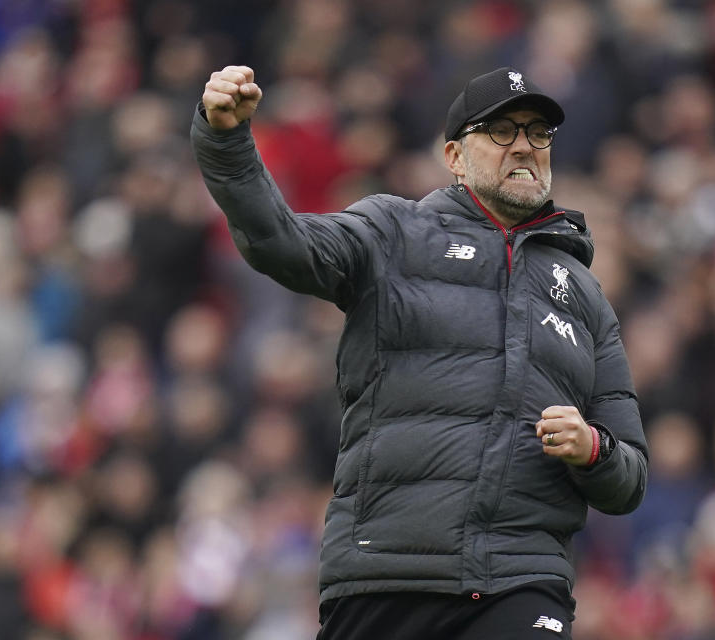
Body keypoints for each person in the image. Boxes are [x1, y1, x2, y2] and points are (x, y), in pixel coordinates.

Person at [190, 64, 648, 640]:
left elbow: (629, 476)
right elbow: (282, 245)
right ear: (455, 157)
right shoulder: (392, 232)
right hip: (386, 573)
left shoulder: (584, 295)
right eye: (502, 132)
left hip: (520, 578)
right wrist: (226, 141)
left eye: (537, 132)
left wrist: (593, 449)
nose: (525, 147)